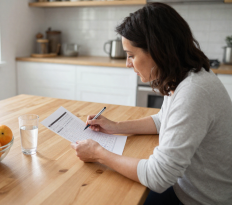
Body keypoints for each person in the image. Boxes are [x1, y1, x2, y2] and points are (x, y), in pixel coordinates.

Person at [70, 3, 232, 205]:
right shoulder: (183, 77)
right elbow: (164, 120)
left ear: (156, 50)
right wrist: (115, 127)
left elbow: (159, 176)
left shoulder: (193, 92)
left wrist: (98, 153)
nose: (127, 63)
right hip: (185, 188)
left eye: (131, 55)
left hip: (200, 199)